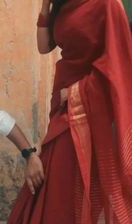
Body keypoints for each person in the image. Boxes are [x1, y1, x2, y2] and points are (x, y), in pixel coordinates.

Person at [8, 0, 132, 223]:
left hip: (89, 100)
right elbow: (44, 46)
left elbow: (119, 61)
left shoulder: (107, 4)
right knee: (60, 173)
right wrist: (46, 6)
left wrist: (77, 92)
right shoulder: (63, 4)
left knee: (62, 173)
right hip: (64, 97)